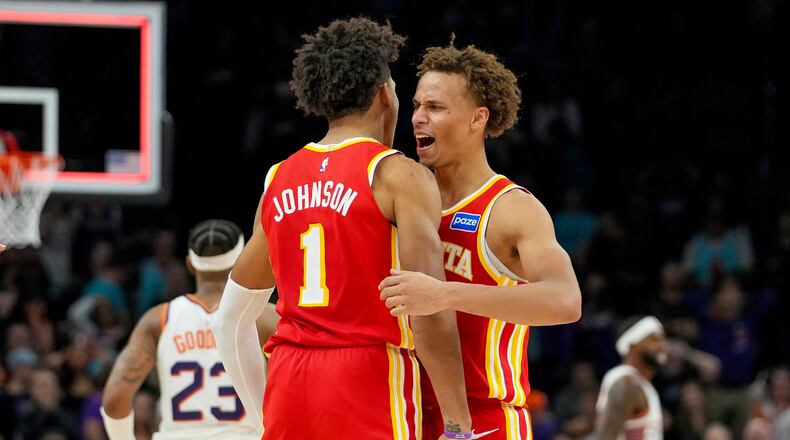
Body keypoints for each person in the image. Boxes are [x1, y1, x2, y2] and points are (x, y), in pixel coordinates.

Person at [211, 17, 471, 440]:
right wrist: (458, 425)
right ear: (385, 93)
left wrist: (263, 415)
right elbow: (429, 308)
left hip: (289, 380)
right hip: (367, 376)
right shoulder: (397, 175)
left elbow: (228, 320)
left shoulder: (278, 178)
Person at [378, 41, 582, 439]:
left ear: (477, 119)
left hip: (487, 417)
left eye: (435, 108)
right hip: (403, 410)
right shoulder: (401, 200)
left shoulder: (510, 207)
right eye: (417, 105)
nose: (419, 117)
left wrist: (445, 294)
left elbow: (565, 301)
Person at [101, 219, 277, 439]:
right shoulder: (264, 316)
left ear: (190, 265)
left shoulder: (159, 319)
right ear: (241, 260)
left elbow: (114, 401)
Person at [594, 316, 667, 439]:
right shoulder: (627, 383)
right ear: (632, 344)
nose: (662, 345)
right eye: (654, 340)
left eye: (662, 339)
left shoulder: (638, 382)